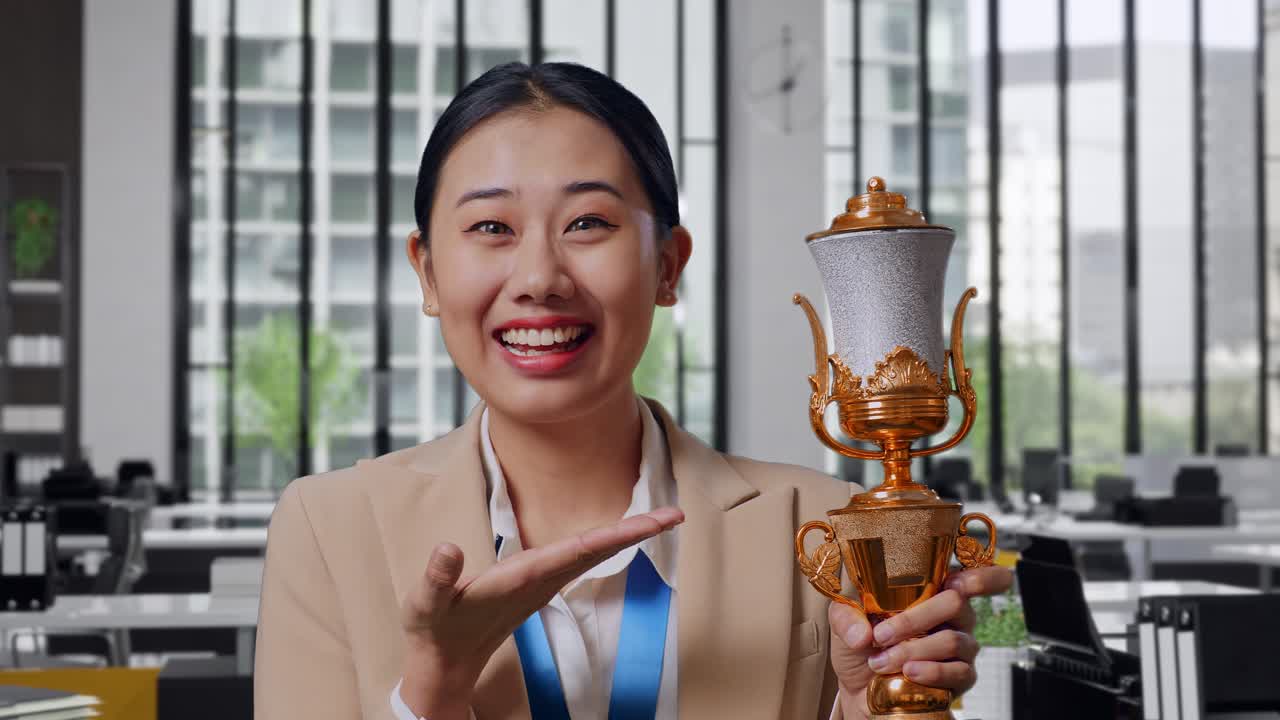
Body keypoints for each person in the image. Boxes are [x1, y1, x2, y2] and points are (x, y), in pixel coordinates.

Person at [253, 61, 1012, 720]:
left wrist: (868, 703)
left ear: (667, 266)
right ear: (427, 271)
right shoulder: (329, 530)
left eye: (588, 223)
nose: (540, 280)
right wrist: (434, 693)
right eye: (491, 228)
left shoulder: (824, 529)